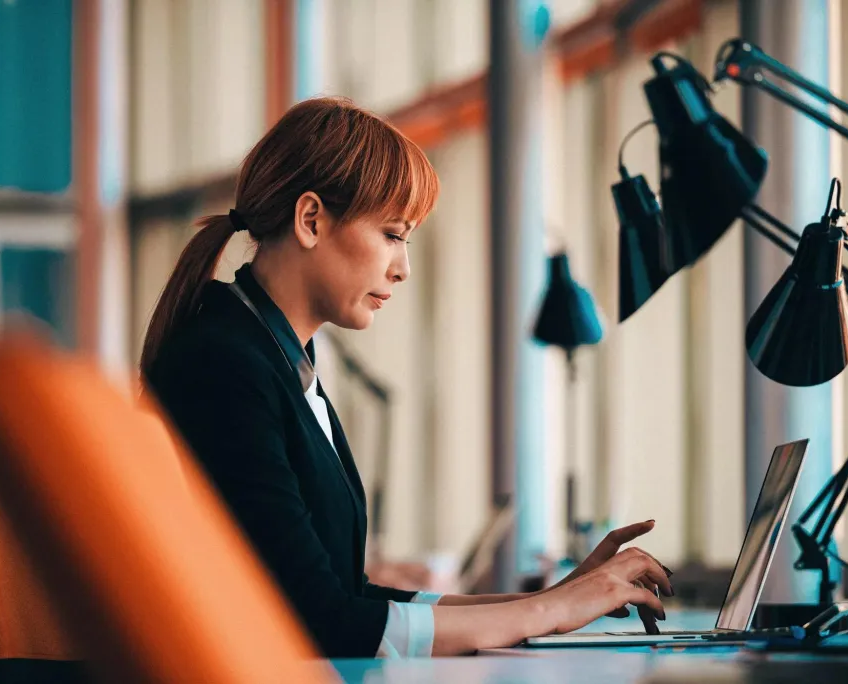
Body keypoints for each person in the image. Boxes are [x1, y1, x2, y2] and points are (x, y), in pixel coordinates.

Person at [141, 96, 672, 659]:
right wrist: (548, 611)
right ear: (311, 220)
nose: (404, 267)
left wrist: (554, 601)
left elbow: (339, 593)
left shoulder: (273, 355)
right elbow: (321, 621)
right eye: (393, 235)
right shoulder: (225, 366)